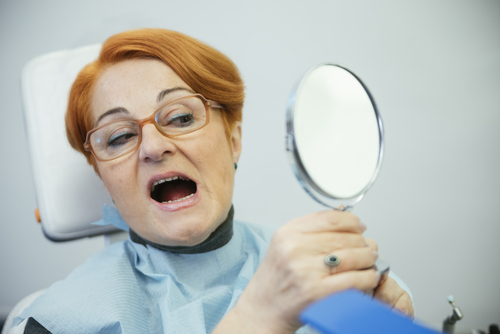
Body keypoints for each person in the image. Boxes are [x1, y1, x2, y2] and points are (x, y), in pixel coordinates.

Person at [13, 28, 413, 334]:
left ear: (233, 140)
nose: (152, 147)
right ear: (103, 176)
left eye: (182, 117)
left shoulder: (320, 274)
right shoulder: (56, 321)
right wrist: (256, 318)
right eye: (119, 137)